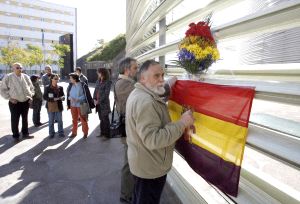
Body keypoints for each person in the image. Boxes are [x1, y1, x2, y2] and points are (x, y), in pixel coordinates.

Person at [126, 60, 195, 204]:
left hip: (143, 164)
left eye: (163, 75)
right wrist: (182, 123)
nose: (161, 80)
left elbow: (160, 91)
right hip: (150, 170)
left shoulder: (139, 92)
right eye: (156, 76)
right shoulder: (147, 102)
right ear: (143, 78)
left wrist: (173, 81)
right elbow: (153, 140)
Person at [114, 57, 138, 203]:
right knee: (129, 164)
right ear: (127, 70)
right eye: (135, 68)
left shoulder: (126, 83)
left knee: (130, 162)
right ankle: (126, 195)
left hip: (130, 129)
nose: (137, 70)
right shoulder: (124, 84)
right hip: (129, 130)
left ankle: (128, 193)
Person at [0, 62, 35, 141]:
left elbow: (31, 87)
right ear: (13, 69)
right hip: (14, 102)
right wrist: (9, 98)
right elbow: (2, 89)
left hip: (26, 101)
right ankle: (15, 135)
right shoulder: (8, 77)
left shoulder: (26, 76)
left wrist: (30, 96)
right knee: (15, 119)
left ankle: (25, 133)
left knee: (25, 118)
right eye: (17, 68)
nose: (19, 69)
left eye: (20, 68)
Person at [67, 73, 94, 139]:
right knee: (74, 120)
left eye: (71, 78)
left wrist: (77, 99)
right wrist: (69, 98)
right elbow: (68, 94)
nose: (70, 79)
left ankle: (85, 133)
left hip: (81, 105)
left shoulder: (83, 85)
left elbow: (86, 95)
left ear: (74, 78)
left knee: (83, 119)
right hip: (73, 105)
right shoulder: (70, 85)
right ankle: (74, 133)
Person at [93, 68, 112, 137]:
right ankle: (102, 133)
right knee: (101, 119)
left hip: (104, 104)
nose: (97, 73)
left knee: (105, 119)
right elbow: (95, 91)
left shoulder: (108, 82)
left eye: (98, 72)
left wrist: (99, 101)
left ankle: (107, 134)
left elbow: (106, 94)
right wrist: (94, 99)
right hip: (98, 104)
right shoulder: (98, 81)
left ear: (102, 73)